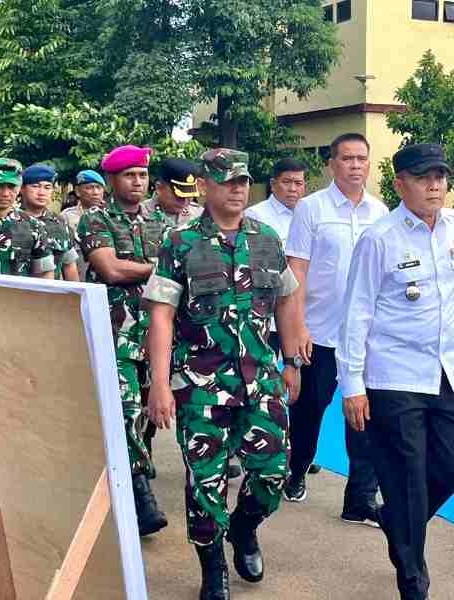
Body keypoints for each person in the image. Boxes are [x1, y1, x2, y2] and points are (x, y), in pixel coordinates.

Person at [144, 148, 301, 600]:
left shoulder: (267, 238)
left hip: (261, 380)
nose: (237, 189)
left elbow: (287, 299)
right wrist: (159, 384)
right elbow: (161, 316)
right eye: (227, 181)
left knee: (273, 473)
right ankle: (213, 567)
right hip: (201, 385)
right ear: (204, 186)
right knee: (206, 484)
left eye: (242, 181)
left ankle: (245, 528)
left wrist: (292, 362)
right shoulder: (180, 242)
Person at [337, 144, 454, 600]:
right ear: (400, 184)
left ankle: (396, 519)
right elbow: (356, 314)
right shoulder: (380, 239)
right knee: (408, 478)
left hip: (447, 370)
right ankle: (412, 578)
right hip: (393, 376)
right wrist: (352, 386)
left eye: (440, 176)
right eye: (422, 177)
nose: (434, 185)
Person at [282, 133, 387, 519]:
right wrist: (299, 328)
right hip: (320, 333)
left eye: (361, 158)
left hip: (366, 338)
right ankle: (296, 470)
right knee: (309, 412)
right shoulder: (311, 209)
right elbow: (296, 270)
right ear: (331, 164)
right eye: (347, 158)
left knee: (365, 416)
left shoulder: (380, 212)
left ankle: (360, 499)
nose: (355, 165)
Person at [77, 145, 168, 536]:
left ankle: (126, 478)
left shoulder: (160, 222)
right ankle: (141, 495)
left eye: (142, 175)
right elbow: (111, 269)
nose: (137, 182)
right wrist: (159, 269)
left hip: (156, 333)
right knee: (126, 410)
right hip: (116, 332)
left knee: (148, 413)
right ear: (112, 180)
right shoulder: (95, 219)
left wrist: (152, 272)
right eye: (129, 175)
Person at [245, 157, 307, 355]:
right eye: (287, 182)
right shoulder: (255, 216)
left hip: (303, 313)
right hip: (268, 314)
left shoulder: (309, 214)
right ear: (273, 184)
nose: (293, 189)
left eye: (298, 183)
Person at [20, 164, 80, 281]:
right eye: (35, 186)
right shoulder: (12, 221)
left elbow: (69, 266)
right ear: (22, 189)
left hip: (52, 290)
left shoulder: (60, 223)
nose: (41, 192)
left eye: (47, 187)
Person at [60, 169, 107, 280]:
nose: (95, 192)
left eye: (99, 187)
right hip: (77, 275)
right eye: (90, 188)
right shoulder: (66, 216)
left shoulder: (111, 215)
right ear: (77, 191)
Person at [141, 158, 203, 227]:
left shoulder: (199, 214)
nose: (185, 201)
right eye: (180, 196)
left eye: (189, 196)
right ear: (159, 188)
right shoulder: (140, 213)